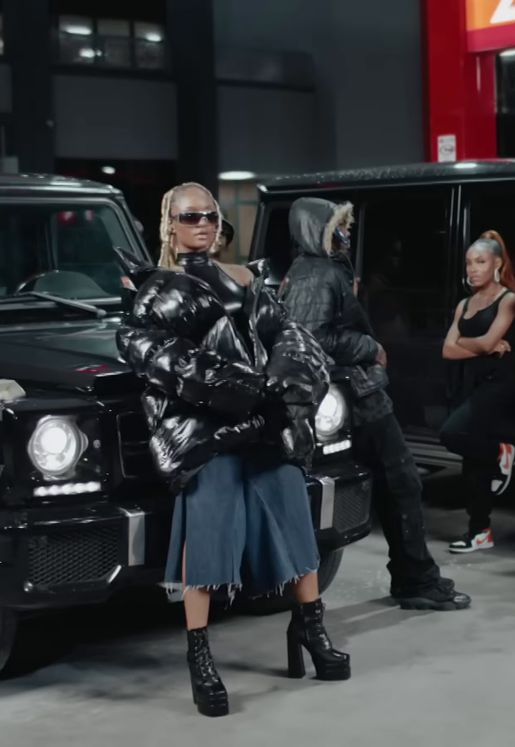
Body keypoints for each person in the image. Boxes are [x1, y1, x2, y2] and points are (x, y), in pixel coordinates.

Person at [116, 183, 349, 717]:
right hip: (207, 434)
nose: (201, 224)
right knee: (208, 537)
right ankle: (200, 656)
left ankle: (310, 629)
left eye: (209, 215)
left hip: (265, 427)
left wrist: (284, 386)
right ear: (169, 225)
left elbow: (292, 338)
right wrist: (251, 390)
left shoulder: (248, 277)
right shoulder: (156, 293)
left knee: (296, 519)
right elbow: (169, 363)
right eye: (189, 216)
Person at [279, 197, 473, 611]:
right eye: (337, 228)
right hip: (355, 396)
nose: (346, 235)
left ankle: (415, 576)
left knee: (398, 484)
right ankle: (415, 579)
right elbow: (311, 337)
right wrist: (369, 345)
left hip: (355, 393)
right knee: (401, 482)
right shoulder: (318, 273)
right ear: (318, 231)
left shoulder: (316, 270)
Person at [439, 231, 515, 552]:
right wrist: (481, 346)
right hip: (470, 384)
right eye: (469, 263)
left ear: (497, 264)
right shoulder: (463, 304)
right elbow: (447, 350)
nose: (473, 269)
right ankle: (480, 531)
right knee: (472, 464)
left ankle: (499, 452)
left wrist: (469, 344)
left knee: (452, 434)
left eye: (481, 262)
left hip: (498, 386)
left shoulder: (509, 300)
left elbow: (488, 343)